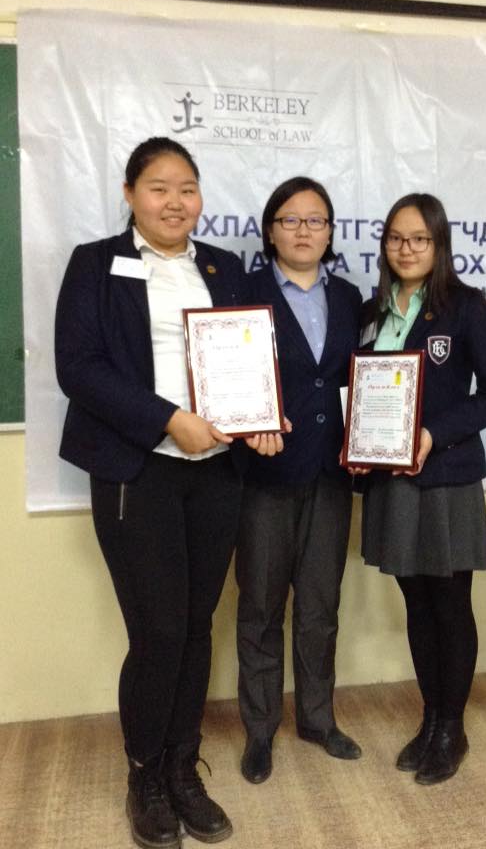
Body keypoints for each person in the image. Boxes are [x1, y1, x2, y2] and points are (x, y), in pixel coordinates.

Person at [55, 137, 283, 849]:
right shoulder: (95, 264)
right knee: (158, 631)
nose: (175, 202)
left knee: (196, 625)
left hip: (214, 473)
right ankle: (145, 774)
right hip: (139, 470)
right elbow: (79, 367)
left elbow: (252, 359)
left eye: (187, 188)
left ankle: (184, 768)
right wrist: (167, 419)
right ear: (130, 195)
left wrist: (260, 418)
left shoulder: (223, 267)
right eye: (159, 187)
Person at [355, 193, 486, 786]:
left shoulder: (465, 306)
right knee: (416, 603)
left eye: (420, 239)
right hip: (390, 481)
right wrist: (357, 448)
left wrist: (432, 434)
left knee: (450, 603)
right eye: (396, 238)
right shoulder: (372, 312)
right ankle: (429, 720)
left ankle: (452, 727)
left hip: (445, 476)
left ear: (439, 244)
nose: (407, 248)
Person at [235, 177, 363, 785]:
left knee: (320, 606)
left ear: (330, 232)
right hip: (265, 473)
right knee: (260, 607)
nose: (304, 230)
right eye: (290, 220)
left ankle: (317, 719)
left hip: (332, 473)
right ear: (270, 230)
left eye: (316, 220)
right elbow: (227, 376)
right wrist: (246, 425)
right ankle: (260, 730)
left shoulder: (351, 297)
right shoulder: (244, 292)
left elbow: (360, 378)